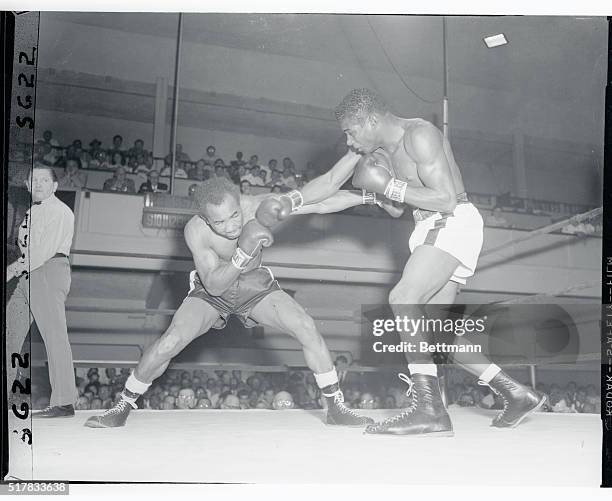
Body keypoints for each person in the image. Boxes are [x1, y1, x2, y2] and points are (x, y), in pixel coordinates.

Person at [261, 88, 544, 436]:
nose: (348, 139)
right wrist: (291, 199)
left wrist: (390, 187)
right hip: (429, 227)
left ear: (371, 120)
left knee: (402, 298)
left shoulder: (419, 136)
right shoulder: (374, 149)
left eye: (351, 131)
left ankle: (429, 410)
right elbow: (333, 181)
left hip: (449, 220)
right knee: (440, 335)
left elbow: (445, 200)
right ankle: (516, 393)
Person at [85, 176, 377, 428]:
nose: (230, 227)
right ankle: (122, 405)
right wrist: (242, 254)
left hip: (254, 285)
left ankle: (336, 408)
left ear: (241, 203)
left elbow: (320, 202)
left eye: (235, 216)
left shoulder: (258, 205)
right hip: (212, 290)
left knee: (305, 325)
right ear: (205, 219)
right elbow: (213, 282)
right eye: (219, 222)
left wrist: (369, 196)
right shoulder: (195, 231)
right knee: (170, 342)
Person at [5, 166, 77, 418]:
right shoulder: (31, 212)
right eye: (33, 180)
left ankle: (64, 402)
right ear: (27, 185)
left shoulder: (59, 211)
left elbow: (43, 251)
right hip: (29, 272)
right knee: (10, 335)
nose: (38, 184)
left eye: (45, 180)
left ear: (55, 186)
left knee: (54, 335)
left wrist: (12, 270)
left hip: (48, 269)